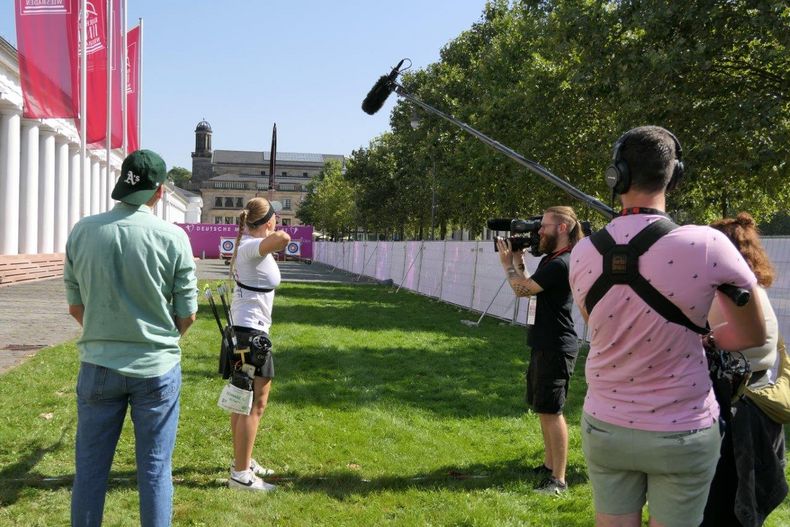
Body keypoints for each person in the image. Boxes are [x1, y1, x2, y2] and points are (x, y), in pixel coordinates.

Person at [569, 126, 766, 527]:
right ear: (674, 176)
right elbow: (752, 337)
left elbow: (598, 325)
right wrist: (708, 335)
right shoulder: (707, 244)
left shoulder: (583, 252)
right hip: (683, 431)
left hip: (606, 426)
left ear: (616, 176)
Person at [64, 150, 198, 527]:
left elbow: (76, 306)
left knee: (89, 470)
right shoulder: (173, 237)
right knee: (155, 470)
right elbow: (187, 313)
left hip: (98, 363)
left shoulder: (84, 230)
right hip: (156, 366)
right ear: (159, 192)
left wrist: (105, 334)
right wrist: (162, 338)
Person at [701, 212, 788, 527]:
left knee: (721, 507)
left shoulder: (731, 296)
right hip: (753, 407)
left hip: (740, 414)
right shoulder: (750, 291)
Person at [496, 205, 583, 495]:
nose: (538, 231)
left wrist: (506, 262)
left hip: (556, 346)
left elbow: (521, 290)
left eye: (543, 226)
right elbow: (528, 286)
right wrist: (519, 262)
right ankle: (548, 466)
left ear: (561, 228)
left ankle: (558, 479)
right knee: (543, 408)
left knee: (553, 411)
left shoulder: (563, 262)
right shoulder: (552, 260)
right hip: (544, 342)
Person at [227, 197, 290, 492]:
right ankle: (241, 474)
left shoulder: (249, 246)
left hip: (247, 332)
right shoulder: (252, 246)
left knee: (242, 401)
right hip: (251, 335)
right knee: (255, 404)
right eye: (275, 217)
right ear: (268, 221)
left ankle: (243, 460)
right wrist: (273, 231)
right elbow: (282, 238)